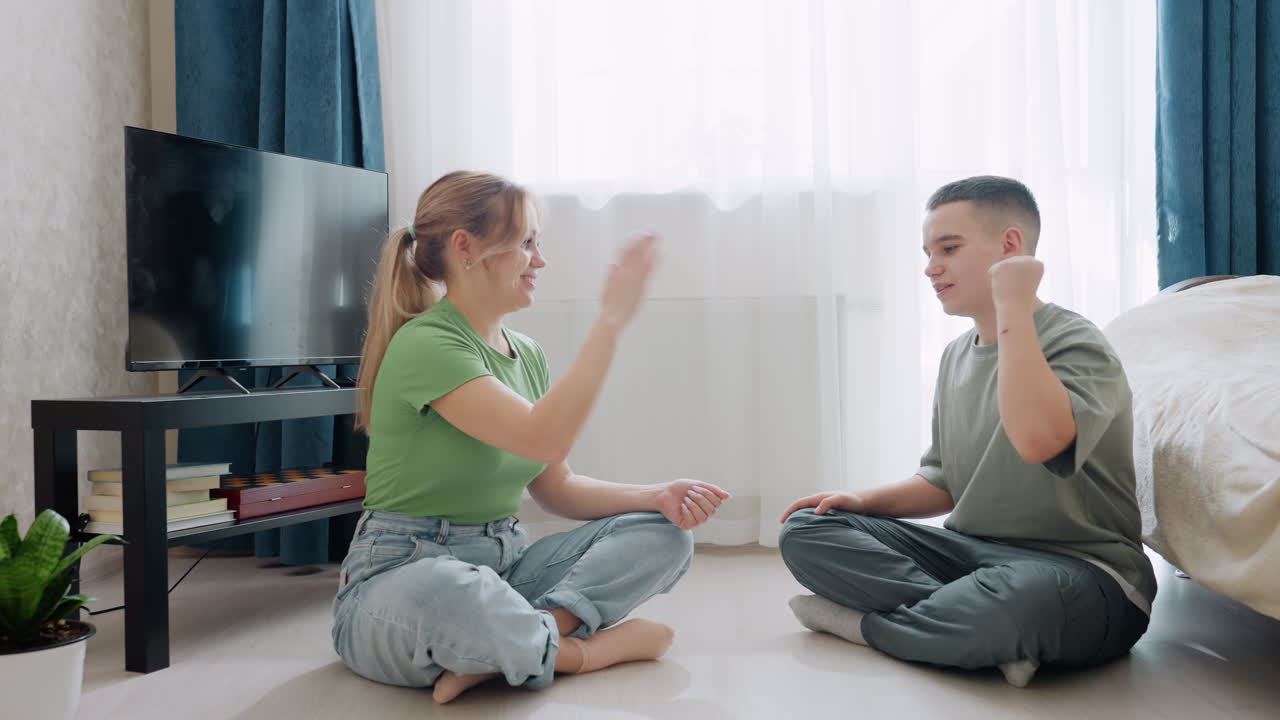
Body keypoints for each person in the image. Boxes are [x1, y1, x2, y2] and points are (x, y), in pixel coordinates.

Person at [332, 171, 730, 703]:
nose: (539, 260)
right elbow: (541, 438)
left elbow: (556, 485)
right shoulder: (425, 343)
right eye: (526, 243)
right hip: (399, 577)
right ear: (466, 247)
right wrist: (609, 322)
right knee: (450, 591)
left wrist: (655, 497)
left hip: (504, 570)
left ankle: (507, 647)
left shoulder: (528, 354)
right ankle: (577, 653)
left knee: (663, 535)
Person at [778, 176, 1155, 687]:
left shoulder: (1077, 341)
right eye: (928, 252)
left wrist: (1014, 305)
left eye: (948, 249)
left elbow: (1038, 441)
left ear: (1010, 247)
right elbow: (945, 483)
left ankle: (867, 627)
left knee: (1019, 603)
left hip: (1082, 571)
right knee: (806, 530)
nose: (931, 267)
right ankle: (976, 632)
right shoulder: (955, 356)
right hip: (969, 556)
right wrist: (859, 502)